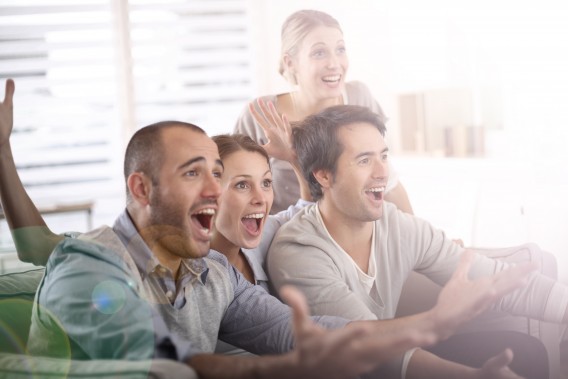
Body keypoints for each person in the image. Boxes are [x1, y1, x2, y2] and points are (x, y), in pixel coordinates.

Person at [0, 79, 537, 379]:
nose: (214, 188)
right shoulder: (89, 265)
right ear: (141, 191)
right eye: (197, 174)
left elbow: (304, 329)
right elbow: (164, 364)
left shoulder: (212, 275)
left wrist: (432, 330)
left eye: (218, 172)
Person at [266, 104, 568, 379]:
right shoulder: (297, 252)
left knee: (525, 352)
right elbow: (370, 351)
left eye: (383, 156)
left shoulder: (396, 225)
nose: (382, 172)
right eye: (364, 160)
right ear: (323, 176)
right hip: (355, 370)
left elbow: (494, 280)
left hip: (391, 353)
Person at [235, 9, 414, 214]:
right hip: (284, 236)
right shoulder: (260, 115)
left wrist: (428, 242)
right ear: (290, 62)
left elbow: (389, 182)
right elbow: (234, 190)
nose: (334, 64)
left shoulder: (358, 97)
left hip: (351, 232)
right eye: (319, 53)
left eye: (340, 49)